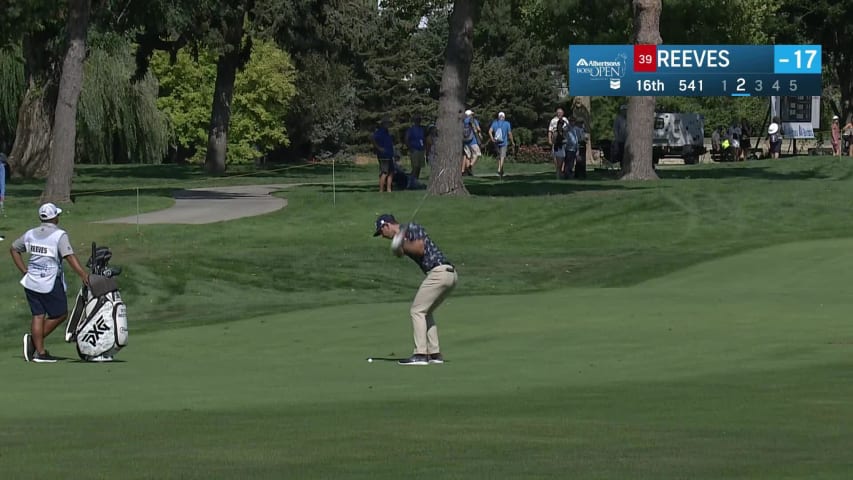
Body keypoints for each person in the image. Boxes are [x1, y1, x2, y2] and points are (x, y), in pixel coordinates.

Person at [373, 214, 457, 366]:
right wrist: (397, 244)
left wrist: (401, 242)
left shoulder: (411, 228)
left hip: (439, 272)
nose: (382, 236)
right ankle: (434, 353)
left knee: (417, 310)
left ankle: (420, 354)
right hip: (447, 274)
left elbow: (419, 248)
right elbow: (399, 254)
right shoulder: (401, 236)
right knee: (426, 311)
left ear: (387, 226)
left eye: (381, 232)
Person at [10, 203, 89, 363]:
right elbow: (69, 256)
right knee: (60, 314)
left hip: (31, 281)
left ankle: (40, 352)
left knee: (38, 315)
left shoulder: (31, 233)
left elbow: (14, 249)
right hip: (50, 281)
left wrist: (24, 270)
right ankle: (34, 343)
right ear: (55, 218)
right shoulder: (59, 235)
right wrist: (83, 274)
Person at [371, 117, 395, 192]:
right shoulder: (379, 132)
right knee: (384, 172)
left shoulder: (388, 132)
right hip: (383, 155)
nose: (388, 125)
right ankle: (381, 190)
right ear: (383, 124)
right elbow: (372, 138)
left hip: (389, 154)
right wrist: (379, 148)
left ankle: (389, 189)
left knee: (391, 172)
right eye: (387, 123)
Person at [488, 111, 515, 178]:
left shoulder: (494, 123)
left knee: (499, 156)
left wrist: (492, 138)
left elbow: (490, 131)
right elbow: (509, 133)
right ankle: (499, 169)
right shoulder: (507, 123)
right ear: (504, 117)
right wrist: (512, 142)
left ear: (498, 117)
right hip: (504, 142)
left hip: (496, 142)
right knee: (502, 156)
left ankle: (501, 171)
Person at [548, 107, 569, 179]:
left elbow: (568, 129)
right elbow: (550, 131)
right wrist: (550, 140)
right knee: (556, 158)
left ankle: (560, 172)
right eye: (558, 112)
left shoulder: (565, 120)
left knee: (562, 158)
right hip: (556, 142)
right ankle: (558, 171)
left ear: (563, 113)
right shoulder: (553, 120)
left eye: (561, 112)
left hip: (563, 142)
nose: (559, 113)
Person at [404, 115, 426, 180]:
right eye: (416, 120)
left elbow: (423, 139)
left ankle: (416, 180)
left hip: (421, 150)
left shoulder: (421, 129)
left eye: (419, 120)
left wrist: (424, 146)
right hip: (414, 150)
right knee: (415, 166)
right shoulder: (411, 130)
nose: (418, 121)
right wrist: (410, 148)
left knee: (419, 167)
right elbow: (406, 139)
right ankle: (411, 180)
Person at [462, 110, 482, 176]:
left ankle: (468, 172)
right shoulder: (473, 120)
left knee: (468, 156)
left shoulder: (463, 121)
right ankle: (470, 166)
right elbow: (478, 129)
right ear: (470, 114)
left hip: (465, 141)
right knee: (477, 153)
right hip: (473, 140)